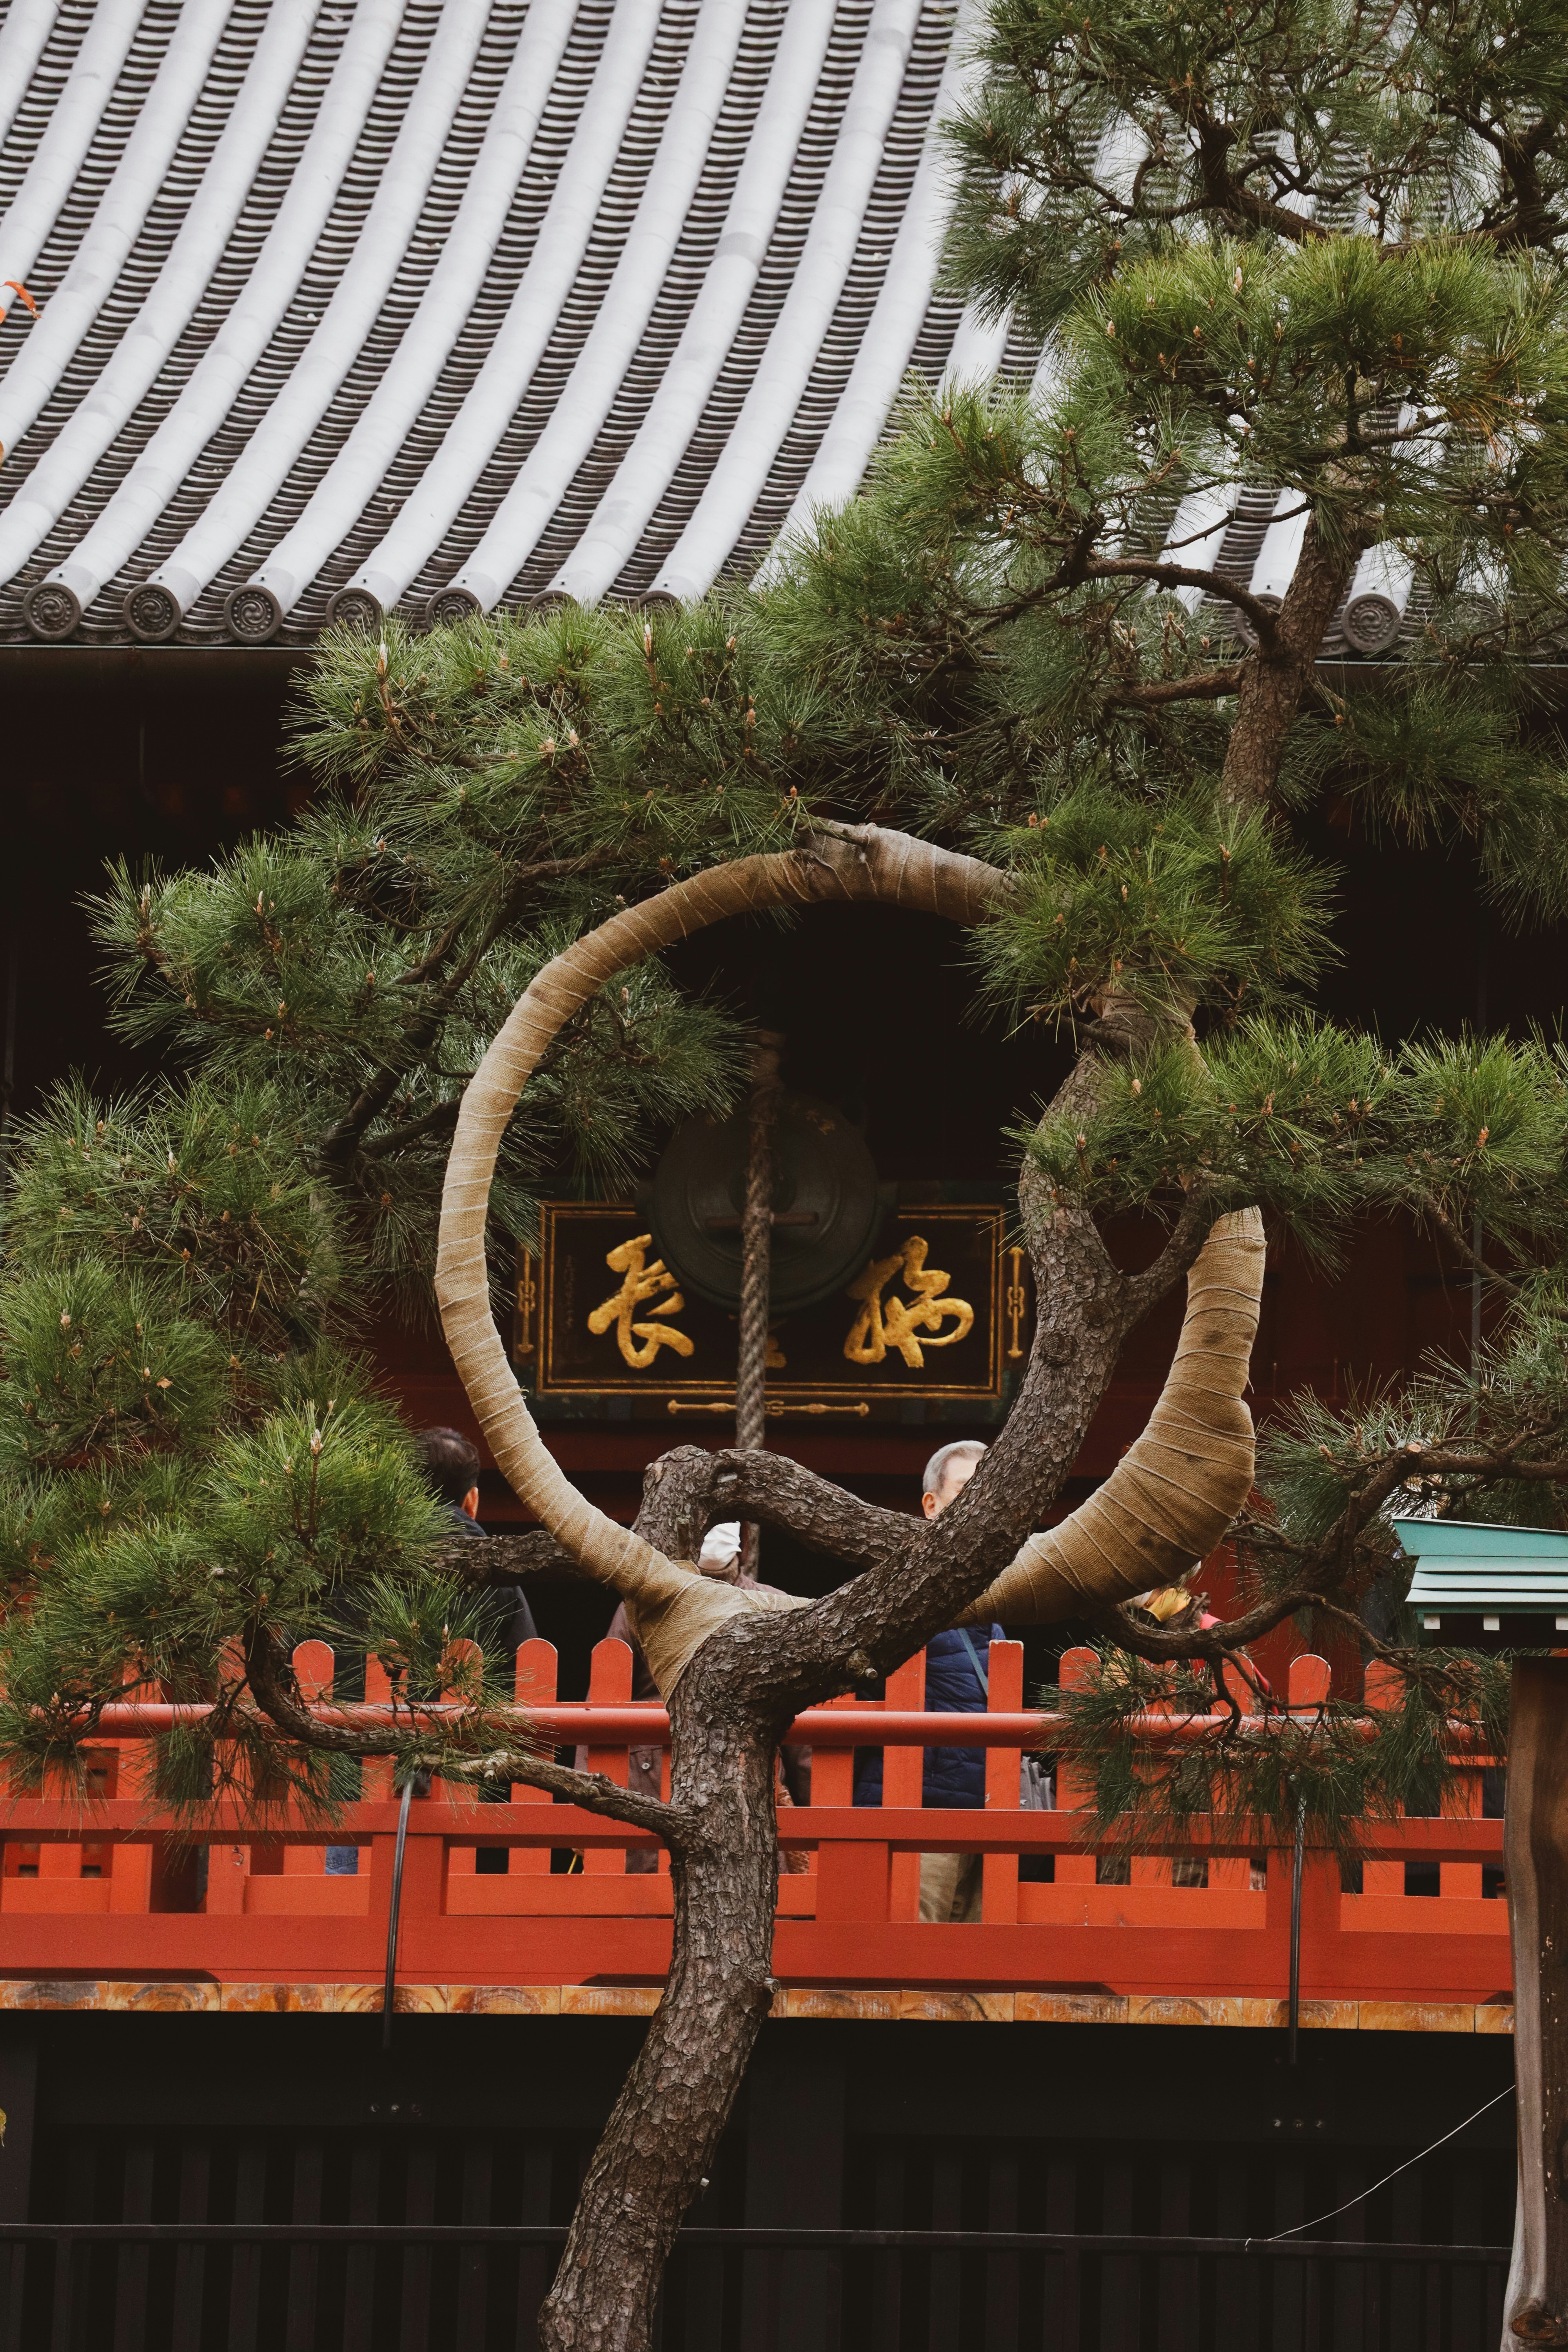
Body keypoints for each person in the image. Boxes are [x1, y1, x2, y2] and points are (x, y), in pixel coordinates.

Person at [581, 1522, 807, 1875]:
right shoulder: (643, 1602)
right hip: (652, 1783)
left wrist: (816, 1811)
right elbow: (602, 1705)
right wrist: (586, 1796)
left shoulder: (775, 1607)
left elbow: (802, 1733)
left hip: (748, 1783)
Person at [854, 1440, 1000, 1924]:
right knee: (912, 1950)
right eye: (965, 1489)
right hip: (916, 1808)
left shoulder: (998, 1596)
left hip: (989, 1815)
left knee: (979, 1959)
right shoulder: (895, 1589)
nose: (980, 1501)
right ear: (931, 1504)